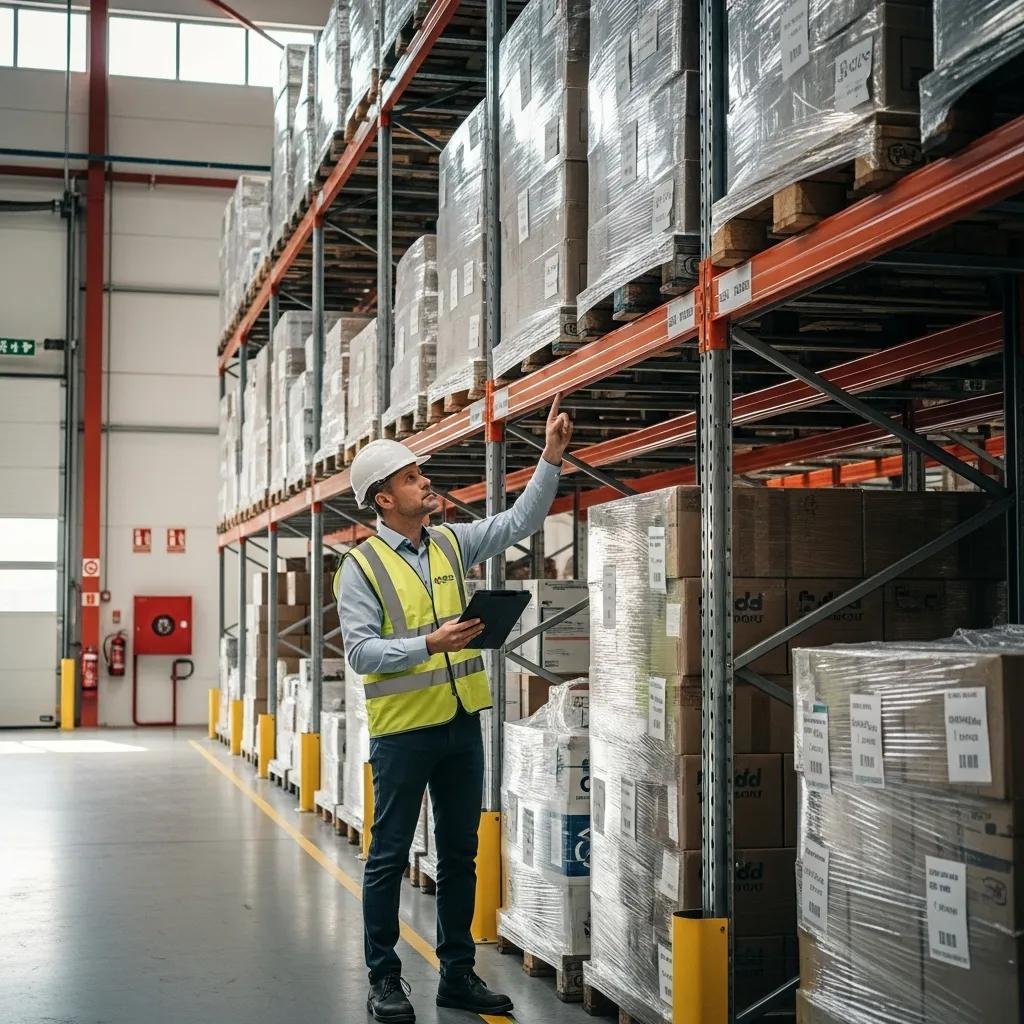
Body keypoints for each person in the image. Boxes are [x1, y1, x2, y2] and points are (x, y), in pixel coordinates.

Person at [337, 396, 573, 1023]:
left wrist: (549, 457)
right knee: (387, 855)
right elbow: (360, 651)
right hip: (403, 734)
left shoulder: (449, 544)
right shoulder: (359, 567)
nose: (425, 482)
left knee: (460, 853)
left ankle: (457, 973)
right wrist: (428, 643)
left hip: (461, 725)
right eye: (412, 477)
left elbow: (518, 523)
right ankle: (384, 978)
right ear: (383, 498)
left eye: (421, 473)